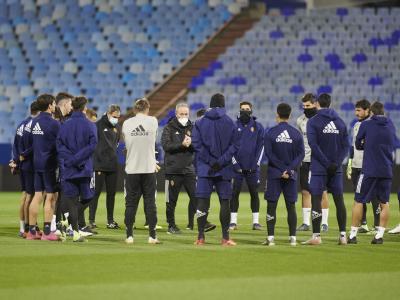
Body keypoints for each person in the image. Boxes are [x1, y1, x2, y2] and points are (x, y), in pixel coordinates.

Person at [192, 93, 239, 246]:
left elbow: (197, 145)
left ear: (210, 104)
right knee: (225, 201)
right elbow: (235, 146)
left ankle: (200, 237)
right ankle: (225, 237)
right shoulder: (231, 122)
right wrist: (220, 162)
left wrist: (211, 162)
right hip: (223, 168)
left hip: (205, 168)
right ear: (223, 104)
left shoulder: (199, 123)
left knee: (202, 202)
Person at [303, 93, 349, 245]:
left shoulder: (313, 122)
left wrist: (326, 163)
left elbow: (313, 145)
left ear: (317, 104)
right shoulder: (340, 122)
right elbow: (345, 146)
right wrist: (336, 163)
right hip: (336, 169)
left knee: (316, 199)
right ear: (330, 103)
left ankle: (316, 236)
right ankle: (343, 236)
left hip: (319, 168)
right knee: (339, 200)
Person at [348, 101, 397, 244]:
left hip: (369, 170)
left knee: (358, 200)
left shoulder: (366, 124)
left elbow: (358, 144)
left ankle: (352, 235)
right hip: (386, 170)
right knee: (384, 202)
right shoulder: (391, 125)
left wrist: (366, 144)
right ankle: (379, 236)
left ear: (371, 112)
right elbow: (393, 143)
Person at [57, 96, 97, 242]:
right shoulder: (90, 125)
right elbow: (92, 146)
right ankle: (74, 232)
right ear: (84, 108)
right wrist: (78, 160)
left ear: (73, 107)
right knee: (88, 196)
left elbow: (60, 146)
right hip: (84, 167)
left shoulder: (64, 125)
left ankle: (71, 228)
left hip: (69, 168)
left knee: (72, 201)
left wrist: (71, 160)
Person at [263, 103, 304, 246]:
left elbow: (269, 154)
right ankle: (292, 238)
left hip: (274, 174)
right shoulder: (296, 133)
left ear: (277, 115)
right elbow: (301, 154)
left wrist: (281, 169)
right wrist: (289, 169)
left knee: (271, 206)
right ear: (290, 115)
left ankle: (270, 238)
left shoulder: (270, 132)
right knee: (290, 206)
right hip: (291, 175)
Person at [122, 98, 161, 244]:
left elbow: (127, 144)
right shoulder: (153, 121)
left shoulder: (126, 123)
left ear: (134, 109)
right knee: (150, 202)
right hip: (148, 168)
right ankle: (152, 236)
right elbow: (152, 140)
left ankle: (129, 236)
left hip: (132, 169)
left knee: (130, 203)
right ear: (147, 108)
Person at [26, 94, 60, 241]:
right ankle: (47, 232)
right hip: (49, 164)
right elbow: (59, 144)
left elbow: (32, 144)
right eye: (53, 104)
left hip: (36, 162)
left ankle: (31, 232)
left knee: (37, 195)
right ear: (49, 106)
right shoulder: (54, 123)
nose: (54, 106)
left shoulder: (33, 123)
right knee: (50, 197)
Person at [161, 102, 198, 234]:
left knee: (196, 197)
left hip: (189, 169)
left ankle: (202, 222)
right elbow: (166, 146)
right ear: (176, 114)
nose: (184, 116)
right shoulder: (168, 128)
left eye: (186, 114)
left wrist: (192, 144)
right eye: (181, 114)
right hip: (173, 170)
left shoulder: (193, 127)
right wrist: (182, 145)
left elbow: (198, 146)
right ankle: (171, 225)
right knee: (171, 201)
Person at [296, 93, 330, 232]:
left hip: (318, 161)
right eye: (304, 106)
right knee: (305, 191)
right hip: (305, 160)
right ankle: (306, 222)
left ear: (315, 104)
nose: (305, 108)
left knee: (322, 192)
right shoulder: (300, 120)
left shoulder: (322, 120)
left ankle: (325, 222)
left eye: (308, 105)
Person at [229, 101, 264, 231]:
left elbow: (261, 147)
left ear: (251, 111)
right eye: (242, 109)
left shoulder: (258, 127)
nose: (245, 111)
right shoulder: (233, 126)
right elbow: (229, 147)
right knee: (234, 193)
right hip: (236, 167)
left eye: (247, 109)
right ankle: (233, 222)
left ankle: (255, 222)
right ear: (239, 110)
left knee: (254, 193)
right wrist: (235, 163)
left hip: (252, 168)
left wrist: (256, 163)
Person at [346, 99, 379, 234]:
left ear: (367, 110)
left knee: (374, 196)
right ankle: (363, 223)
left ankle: (377, 225)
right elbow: (353, 146)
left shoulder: (372, 125)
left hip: (368, 166)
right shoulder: (355, 125)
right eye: (356, 110)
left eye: (359, 110)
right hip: (356, 166)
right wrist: (350, 162)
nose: (356, 113)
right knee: (359, 197)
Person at [10, 101, 40, 237]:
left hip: (22, 164)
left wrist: (16, 160)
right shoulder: (35, 125)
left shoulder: (21, 125)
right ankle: (29, 227)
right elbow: (36, 145)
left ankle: (23, 227)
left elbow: (15, 145)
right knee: (31, 195)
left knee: (25, 194)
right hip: (31, 163)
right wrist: (22, 156)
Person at [89, 104, 121, 229]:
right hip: (99, 165)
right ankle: (91, 220)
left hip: (112, 165)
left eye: (118, 117)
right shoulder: (97, 126)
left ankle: (110, 221)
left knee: (111, 194)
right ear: (108, 114)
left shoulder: (117, 128)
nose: (116, 119)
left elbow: (116, 144)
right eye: (114, 116)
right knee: (95, 193)